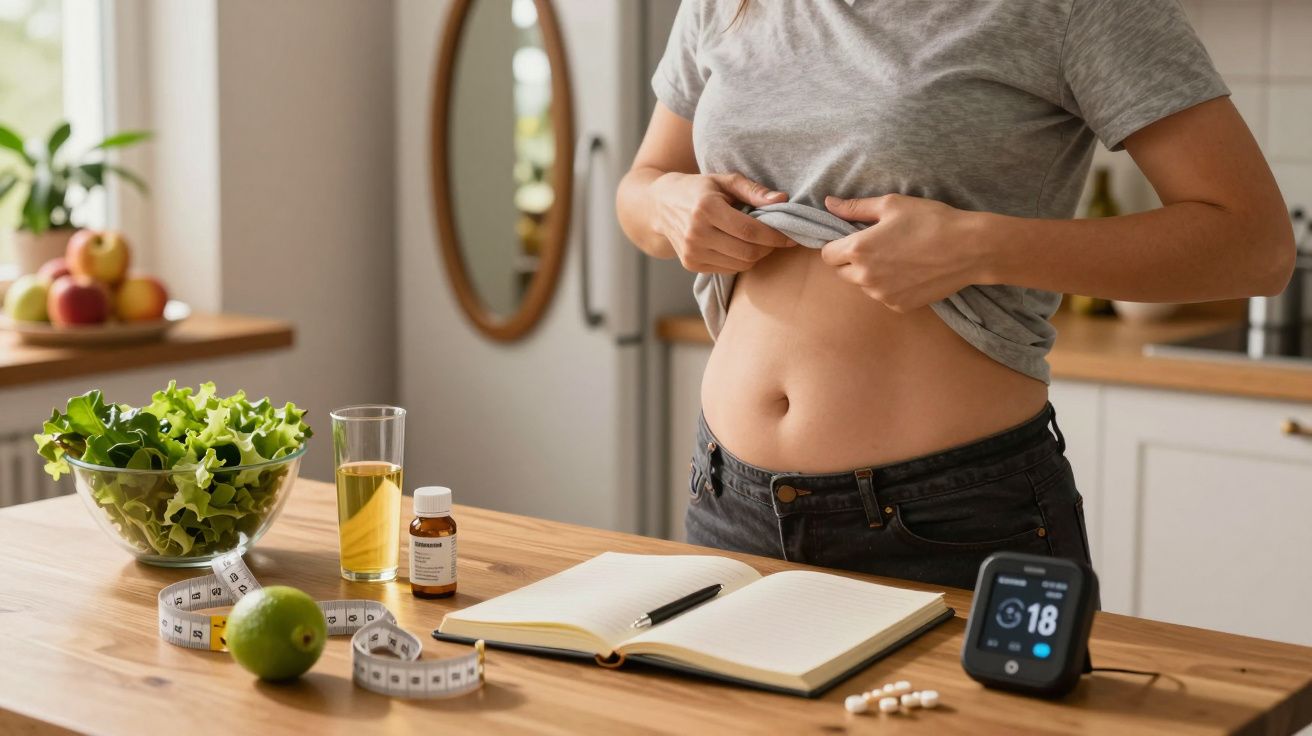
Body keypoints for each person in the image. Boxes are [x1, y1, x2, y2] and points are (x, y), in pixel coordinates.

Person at [616, 0, 1293, 589]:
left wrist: (978, 247)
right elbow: (641, 188)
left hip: (947, 519)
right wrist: (668, 204)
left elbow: (1255, 247)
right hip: (730, 499)